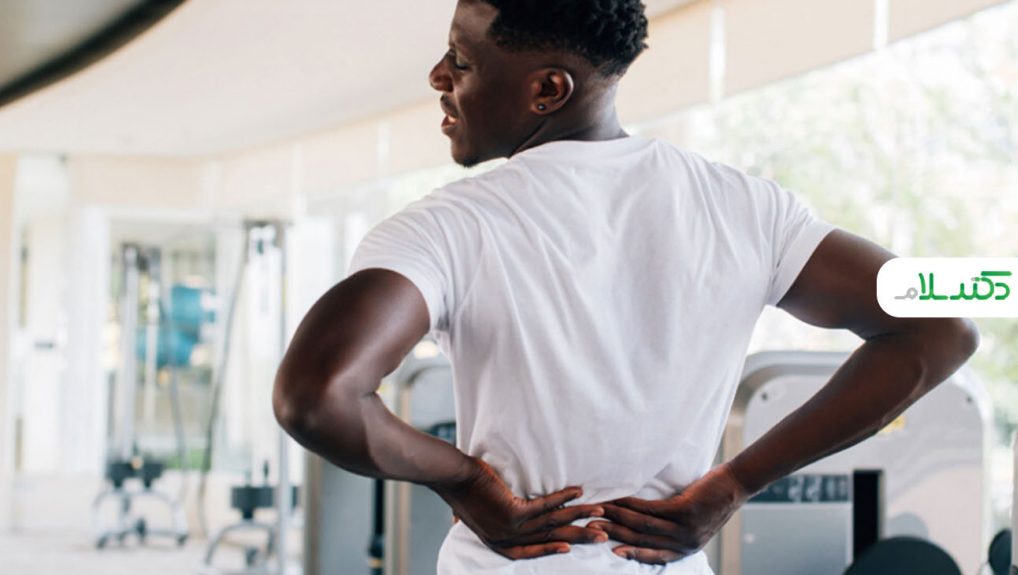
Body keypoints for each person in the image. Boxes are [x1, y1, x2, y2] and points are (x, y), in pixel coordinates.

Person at [273, 0, 980, 573]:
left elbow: (316, 395)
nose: (437, 76)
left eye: (461, 60)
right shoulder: (747, 208)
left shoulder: (446, 226)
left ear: (548, 90)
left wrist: (463, 480)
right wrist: (734, 483)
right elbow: (948, 320)